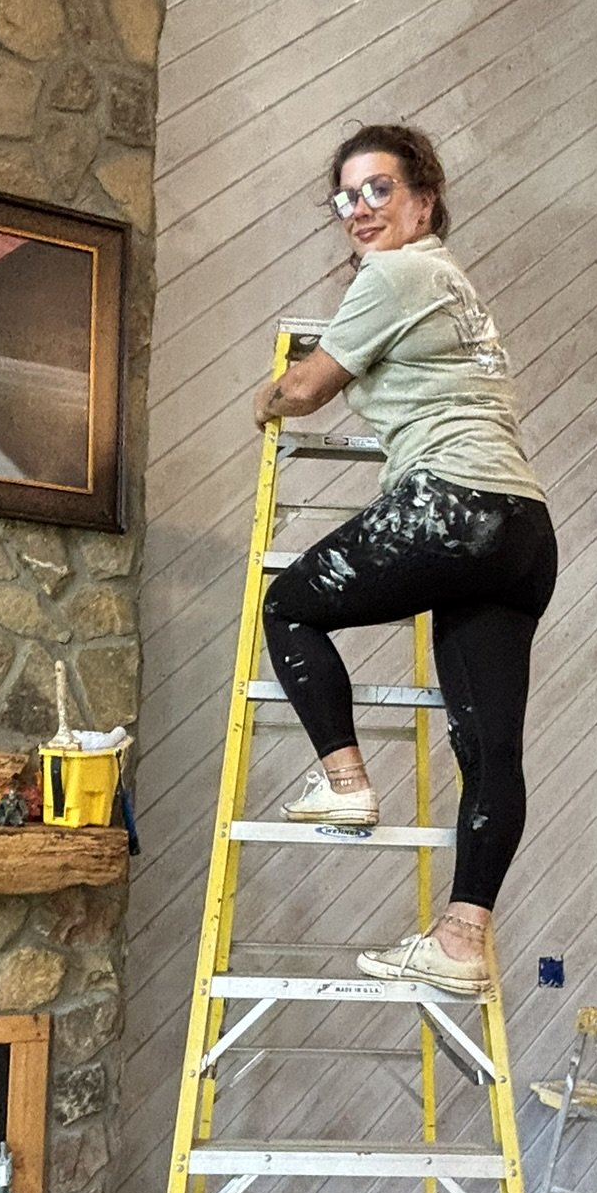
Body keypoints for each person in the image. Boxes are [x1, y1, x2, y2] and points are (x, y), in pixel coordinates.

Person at [251, 123, 556, 997]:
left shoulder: (397, 271)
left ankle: (343, 781)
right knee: (489, 746)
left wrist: (263, 399)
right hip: (523, 531)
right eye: (347, 197)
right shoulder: (454, 287)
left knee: (291, 607)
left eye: (378, 189)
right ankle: (464, 937)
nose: (360, 210)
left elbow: (307, 391)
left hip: (453, 506)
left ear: (425, 198)